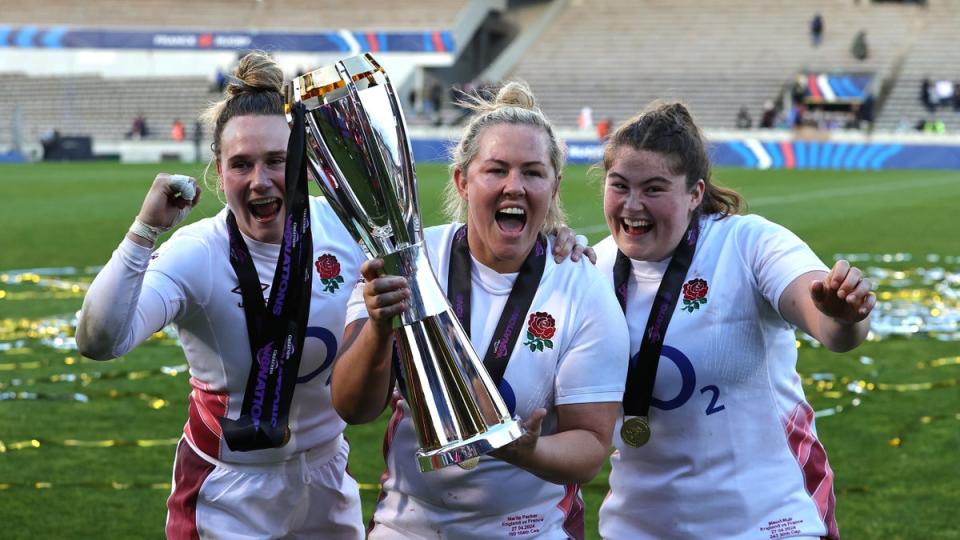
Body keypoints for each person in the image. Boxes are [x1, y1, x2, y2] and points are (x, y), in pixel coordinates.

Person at [75, 52, 368, 539]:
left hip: (327, 477)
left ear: (303, 161)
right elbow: (99, 340)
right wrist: (144, 231)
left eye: (277, 160)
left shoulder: (346, 229)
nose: (260, 180)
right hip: (227, 490)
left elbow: (429, 270)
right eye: (241, 164)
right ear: (219, 170)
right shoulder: (197, 254)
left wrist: (541, 248)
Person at [331, 82, 630, 539]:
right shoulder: (409, 263)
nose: (515, 185)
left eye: (533, 172)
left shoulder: (583, 287)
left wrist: (518, 449)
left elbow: (590, 448)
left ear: (554, 186)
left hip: (528, 529)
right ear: (462, 181)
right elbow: (353, 408)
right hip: (410, 526)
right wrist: (376, 328)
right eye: (496, 170)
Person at [594, 101, 876, 539]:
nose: (633, 205)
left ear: (694, 193)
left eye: (653, 188)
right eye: (619, 186)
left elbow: (829, 324)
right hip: (638, 525)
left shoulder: (748, 243)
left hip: (768, 519)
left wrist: (842, 313)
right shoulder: (593, 267)